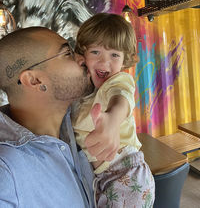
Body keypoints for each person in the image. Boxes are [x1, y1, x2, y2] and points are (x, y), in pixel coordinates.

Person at [0, 26, 95, 208]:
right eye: (67, 53)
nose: (83, 59)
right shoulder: (6, 170)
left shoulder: (79, 121)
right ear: (34, 80)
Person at [72, 13, 155, 207]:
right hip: (104, 178)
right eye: (95, 52)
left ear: (125, 60)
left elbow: (121, 98)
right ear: (83, 54)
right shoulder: (89, 91)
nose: (103, 62)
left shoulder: (118, 81)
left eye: (114, 55)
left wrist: (112, 120)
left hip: (127, 175)